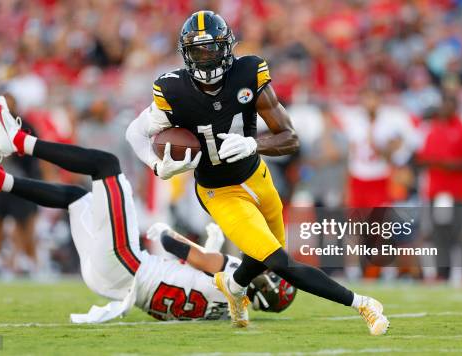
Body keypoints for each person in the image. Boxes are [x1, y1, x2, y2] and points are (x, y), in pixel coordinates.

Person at [126, 11, 388, 334]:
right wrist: (156, 166)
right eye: (198, 52)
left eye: (212, 50)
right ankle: (362, 304)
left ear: (228, 48)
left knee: (266, 254)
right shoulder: (174, 90)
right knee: (280, 260)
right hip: (218, 191)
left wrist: (253, 144)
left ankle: (234, 287)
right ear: (186, 56)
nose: (206, 60)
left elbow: (290, 136)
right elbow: (134, 134)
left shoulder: (248, 72)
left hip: (257, 177)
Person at [0, 96, 293, 322]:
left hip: (129, 266)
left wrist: (168, 234)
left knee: (105, 164)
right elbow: (199, 276)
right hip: (111, 283)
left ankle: (19, 142)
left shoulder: (240, 276)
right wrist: (211, 244)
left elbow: (177, 248)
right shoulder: (230, 308)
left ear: (268, 287)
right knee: (78, 199)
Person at [416, 97, 462, 280]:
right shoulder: (433, 130)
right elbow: (422, 158)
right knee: (438, 233)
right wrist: (436, 162)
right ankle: (442, 272)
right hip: (436, 190)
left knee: (459, 232)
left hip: (456, 191)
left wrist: (451, 165)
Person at [0, 93, 41, 274]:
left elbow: (35, 156)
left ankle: (29, 262)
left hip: (20, 183)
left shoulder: (25, 127)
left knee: (24, 224)